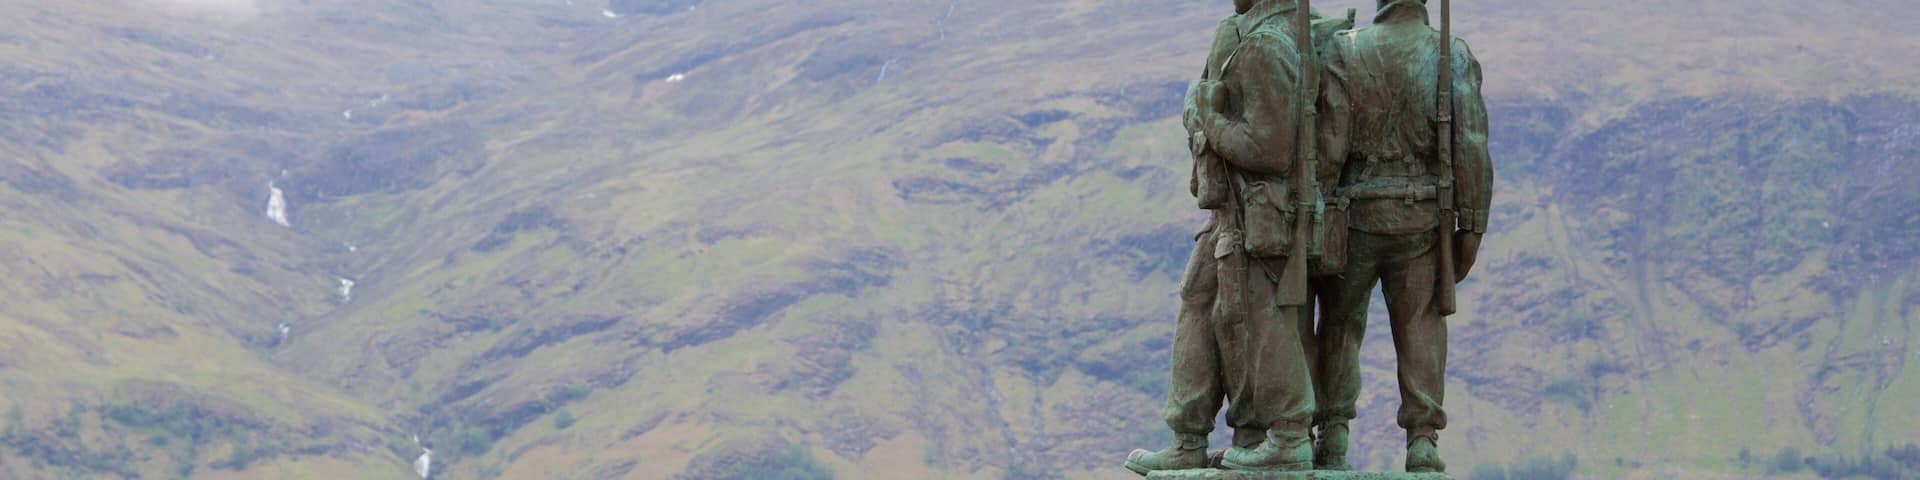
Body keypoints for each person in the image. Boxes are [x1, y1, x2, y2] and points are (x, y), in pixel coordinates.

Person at [1124, 0, 1334, 474]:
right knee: (1202, 303)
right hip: (1231, 209)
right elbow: (1201, 95)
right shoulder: (1242, 35)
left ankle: (1286, 435)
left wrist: (1211, 121)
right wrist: (1201, 109)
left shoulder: (1267, 46)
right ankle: (1190, 436)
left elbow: (1270, 148)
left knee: (1265, 318)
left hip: (1262, 212)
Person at [1310, 0, 1492, 473]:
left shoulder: (1343, 49)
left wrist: (1318, 210)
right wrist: (1471, 225)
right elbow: (1470, 145)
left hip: (1355, 217)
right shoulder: (1449, 52)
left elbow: (1330, 146)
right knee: (1421, 326)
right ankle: (1422, 439)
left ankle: (1332, 435)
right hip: (1421, 221)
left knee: (1339, 326)